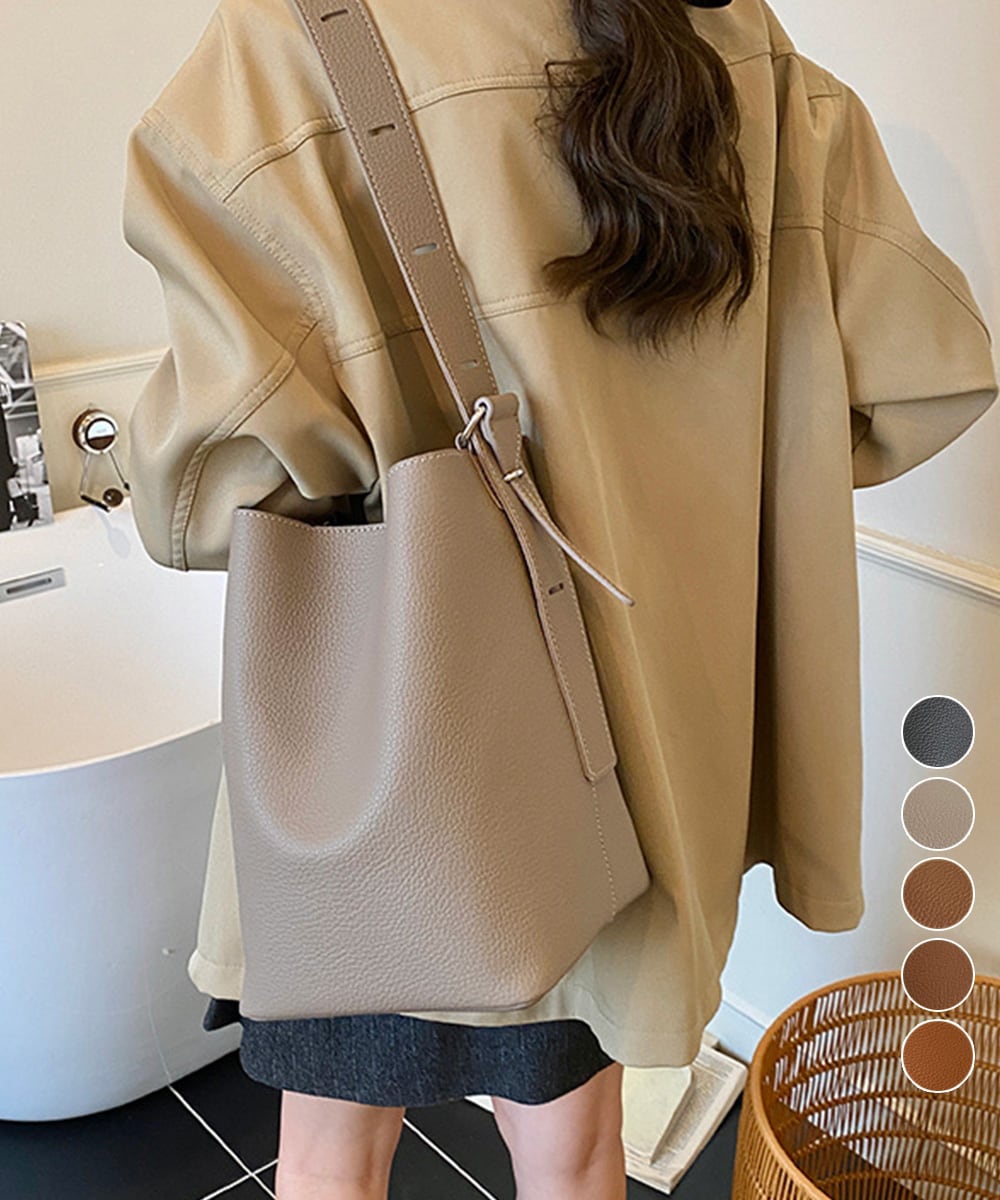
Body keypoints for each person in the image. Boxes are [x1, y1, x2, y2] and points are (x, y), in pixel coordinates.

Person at [121, 0, 998, 1196]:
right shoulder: (732, 34)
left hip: (394, 749)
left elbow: (208, 491)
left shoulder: (291, 42)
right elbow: (915, 377)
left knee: (334, 1150)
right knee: (579, 1149)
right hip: (643, 767)